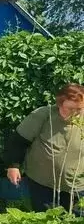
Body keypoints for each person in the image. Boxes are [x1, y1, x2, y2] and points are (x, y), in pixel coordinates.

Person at [6, 83, 84, 212]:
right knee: (46, 222)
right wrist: (13, 166)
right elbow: (18, 141)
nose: (75, 113)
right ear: (59, 104)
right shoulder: (43, 115)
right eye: (70, 108)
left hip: (78, 187)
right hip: (43, 183)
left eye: (79, 109)